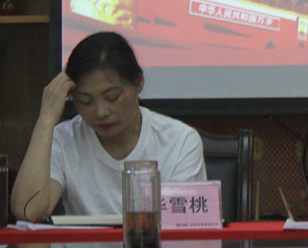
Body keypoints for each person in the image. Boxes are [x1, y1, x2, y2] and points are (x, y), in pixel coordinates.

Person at [11, 31, 206, 220]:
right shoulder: (64, 140)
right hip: (84, 245)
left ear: (139, 82)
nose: (101, 112)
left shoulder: (180, 141)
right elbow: (28, 212)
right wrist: (46, 119)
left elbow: (184, 227)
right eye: (86, 101)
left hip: (153, 244)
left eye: (112, 97)